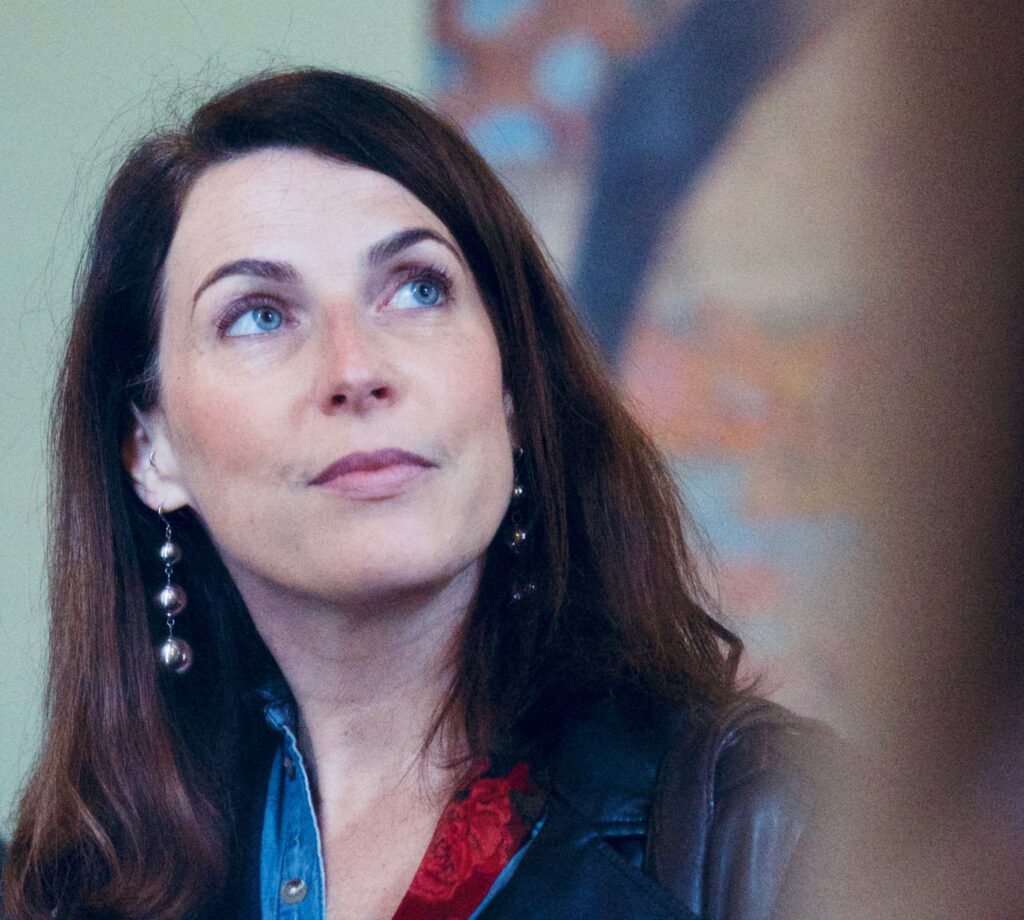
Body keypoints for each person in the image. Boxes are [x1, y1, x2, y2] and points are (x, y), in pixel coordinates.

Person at [0, 70, 829, 920]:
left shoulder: (779, 828)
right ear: (151, 449)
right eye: (258, 315)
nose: (356, 368)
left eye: (419, 289)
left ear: (511, 392)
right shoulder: (53, 890)